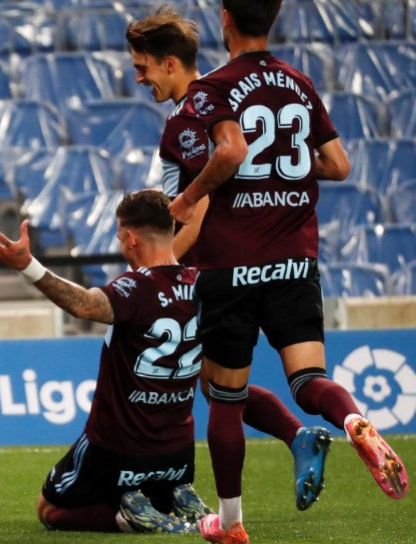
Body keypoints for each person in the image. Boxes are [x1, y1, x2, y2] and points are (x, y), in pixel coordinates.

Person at [166, 2, 408, 542]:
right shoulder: (298, 82)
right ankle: (352, 421)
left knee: (225, 399)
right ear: (272, 19)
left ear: (225, 18)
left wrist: (187, 197)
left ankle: (230, 524)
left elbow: (229, 153)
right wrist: (287, 162)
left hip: (230, 265)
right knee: (309, 381)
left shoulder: (213, 87)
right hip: (296, 260)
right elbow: (340, 164)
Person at [126, 6, 332, 513]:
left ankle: (220, 505)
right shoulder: (208, 107)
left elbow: (197, 210)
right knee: (213, 383)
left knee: (214, 389)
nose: (138, 77)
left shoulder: (189, 118)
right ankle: (298, 435)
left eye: (143, 66)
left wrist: (158, 272)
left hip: (214, 267)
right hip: (266, 259)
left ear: (170, 64)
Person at [0, 190, 210, 534]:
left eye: (119, 237)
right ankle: (174, 494)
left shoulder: (134, 288)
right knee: (148, 488)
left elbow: (86, 305)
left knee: (49, 509)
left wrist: (28, 265)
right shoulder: (201, 285)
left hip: (118, 446)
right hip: (177, 451)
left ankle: (127, 517)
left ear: (131, 239)